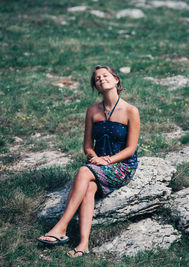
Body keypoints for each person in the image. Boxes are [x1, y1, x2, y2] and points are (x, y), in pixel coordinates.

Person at [38, 65, 140, 257]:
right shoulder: (92, 111)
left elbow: (131, 149)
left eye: (105, 76)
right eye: (97, 79)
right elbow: (87, 146)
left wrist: (107, 161)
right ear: (96, 86)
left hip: (122, 165)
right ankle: (83, 243)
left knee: (83, 172)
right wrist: (93, 157)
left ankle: (61, 227)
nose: (101, 79)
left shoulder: (131, 110)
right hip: (97, 164)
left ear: (116, 80)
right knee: (90, 188)